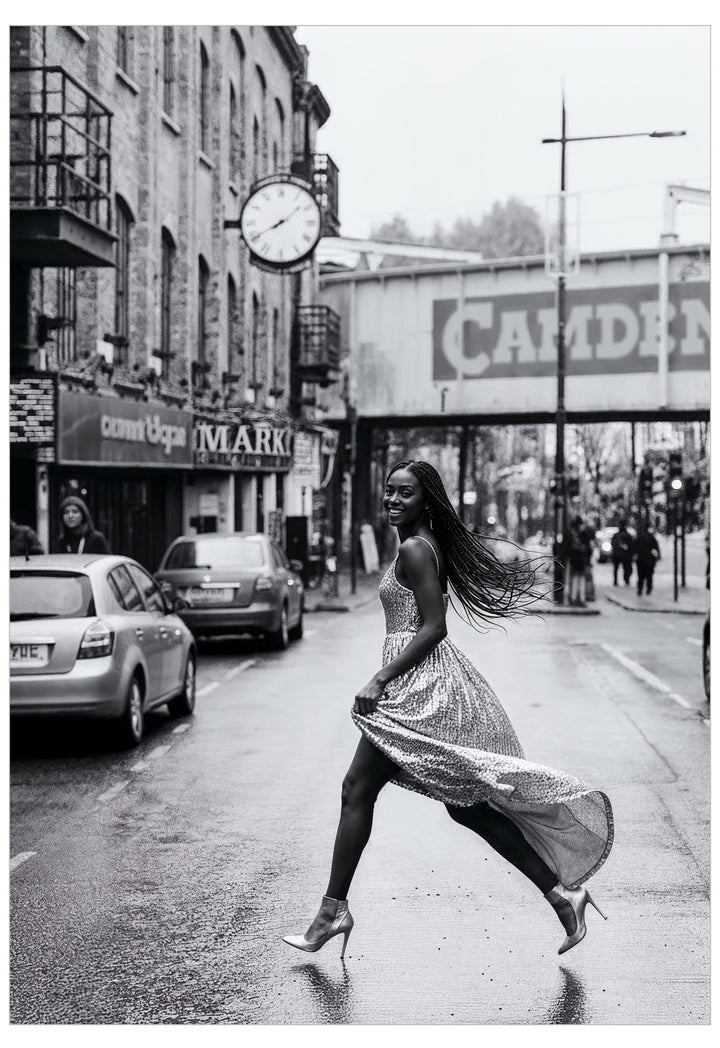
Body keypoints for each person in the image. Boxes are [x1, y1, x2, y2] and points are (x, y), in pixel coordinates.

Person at [283, 460, 612, 960]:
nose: (393, 500)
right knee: (468, 809)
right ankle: (562, 894)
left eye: (405, 493)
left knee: (357, 788)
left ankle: (332, 911)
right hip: (425, 684)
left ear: (426, 502)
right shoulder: (417, 544)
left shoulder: (416, 549)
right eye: (389, 491)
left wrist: (380, 677)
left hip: (418, 691)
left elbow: (434, 626)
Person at [565, 515, 589, 607]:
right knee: (581, 580)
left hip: (573, 559)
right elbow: (587, 547)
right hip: (581, 559)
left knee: (574, 579)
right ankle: (581, 599)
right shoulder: (583, 534)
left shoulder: (571, 534)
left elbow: (567, 548)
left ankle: (574, 598)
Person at [635, 526, 660, 596]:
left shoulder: (639, 537)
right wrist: (656, 557)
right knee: (649, 576)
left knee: (641, 576)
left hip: (641, 560)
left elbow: (635, 547)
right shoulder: (651, 538)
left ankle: (640, 589)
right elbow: (656, 548)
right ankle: (648, 589)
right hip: (649, 560)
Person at [610, 521, 635, 586]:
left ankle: (616, 581)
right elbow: (632, 545)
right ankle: (626, 580)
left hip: (618, 554)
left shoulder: (616, 535)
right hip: (624, 555)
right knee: (625, 568)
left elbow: (612, 543)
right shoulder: (627, 535)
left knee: (617, 568)